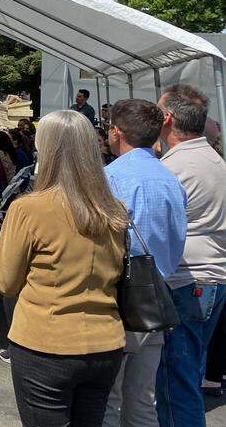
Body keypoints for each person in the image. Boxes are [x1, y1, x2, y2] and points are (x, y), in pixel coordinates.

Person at [0, 109, 127, 427]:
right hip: (106, 344)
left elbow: (5, 282)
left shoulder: (28, 209)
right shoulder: (112, 209)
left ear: (44, 150)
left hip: (46, 346)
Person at [100, 99, 188, 427]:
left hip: (119, 300)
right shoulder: (170, 179)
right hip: (157, 298)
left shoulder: (110, 178)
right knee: (141, 399)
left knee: (108, 398)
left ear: (117, 132)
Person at [155, 84, 226, 427]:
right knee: (188, 374)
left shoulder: (175, 167)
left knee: (175, 382)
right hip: (211, 280)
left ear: (167, 118)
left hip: (187, 282)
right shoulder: (214, 159)